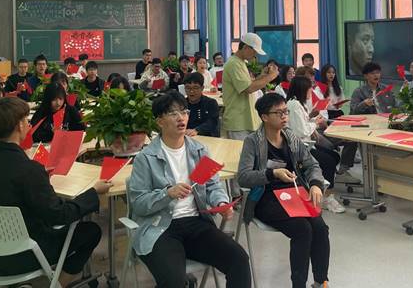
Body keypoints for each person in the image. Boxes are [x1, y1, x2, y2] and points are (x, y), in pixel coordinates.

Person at [0, 97, 110, 286]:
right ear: (20, 126)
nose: (28, 124)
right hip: (25, 253)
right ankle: (58, 284)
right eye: (26, 120)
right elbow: (59, 215)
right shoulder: (28, 170)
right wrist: (93, 193)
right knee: (90, 231)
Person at [128, 91, 250, 288]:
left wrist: (221, 202)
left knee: (239, 259)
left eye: (184, 112)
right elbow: (139, 204)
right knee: (173, 281)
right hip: (160, 227)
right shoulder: (146, 158)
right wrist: (167, 194)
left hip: (196, 223)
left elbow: (212, 185)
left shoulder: (199, 151)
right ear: (160, 121)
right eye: (173, 113)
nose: (181, 118)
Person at [238, 93, 330, 288]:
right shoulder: (253, 141)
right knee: (303, 230)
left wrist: (315, 183)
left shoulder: (290, 137)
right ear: (264, 117)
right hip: (265, 197)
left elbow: (312, 164)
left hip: (294, 194)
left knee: (320, 228)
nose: (284, 117)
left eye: (285, 112)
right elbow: (244, 176)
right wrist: (272, 174)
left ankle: (321, 281)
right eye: (278, 113)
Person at [286, 77, 344, 213]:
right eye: (309, 89)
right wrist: (316, 123)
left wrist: (312, 119)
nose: (310, 91)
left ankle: (321, 186)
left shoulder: (298, 104)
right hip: (299, 147)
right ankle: (325, 198)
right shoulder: (294, 105)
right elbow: (301, 131)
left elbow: (303, 124)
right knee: (328, 162)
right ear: (302, 89)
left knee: (334, 156)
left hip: (306, 143)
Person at [223, 33, 279, 141]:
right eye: (254, 51)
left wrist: (262, 76)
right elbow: (248, 89)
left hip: (245, 119)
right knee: (240, 151)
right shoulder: (234, 64)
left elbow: (248, 84)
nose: (255, 55)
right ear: (245, 47)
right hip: (238, 122)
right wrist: (271, 76)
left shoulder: (240, 62)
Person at [183, 72, 220, 137]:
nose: (191, 91)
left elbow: (213, 122)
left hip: (208, 138)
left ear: (202, 88)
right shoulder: (182, 104)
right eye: (188, 88)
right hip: (187, 137)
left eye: (195, 88)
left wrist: (197, 130)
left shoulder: (211, 103)